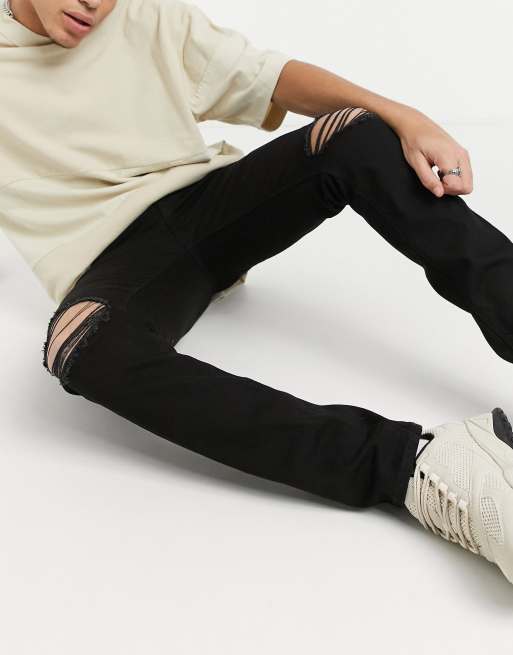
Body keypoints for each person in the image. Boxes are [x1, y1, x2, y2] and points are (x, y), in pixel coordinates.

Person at [2, 0, 513, 586]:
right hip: (118, 263)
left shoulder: (143, 16)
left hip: (211, 208)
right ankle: (422, 467)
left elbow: (266, 76)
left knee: (357, 132)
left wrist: (406, 116)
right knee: (81, 347)